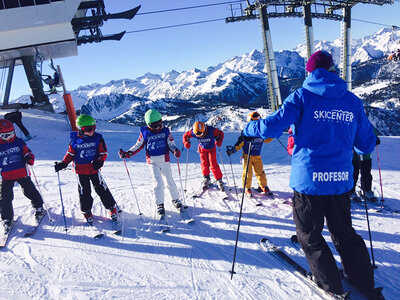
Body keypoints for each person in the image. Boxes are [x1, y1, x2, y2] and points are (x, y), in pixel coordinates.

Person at [243, 50, 383, 299]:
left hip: (309, 184)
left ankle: (330, 287)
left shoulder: (301, 96)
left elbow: (272, 126)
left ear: (309, 72)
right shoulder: (352, 101)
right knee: (344, 233)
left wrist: (249, 127)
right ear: (333, 70)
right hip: (340, 183)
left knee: (309, 235)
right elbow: (366, 145)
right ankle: (364, 282)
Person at [54, 114, 118, 224]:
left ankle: (111, 207)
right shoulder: (75, 141)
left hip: (93, 168)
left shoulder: (98, 138)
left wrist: (100, 161)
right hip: (80, 171)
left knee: (101, 188)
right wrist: (63, 163)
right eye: (89, 129)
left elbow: (103, 152)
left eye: (94, 128)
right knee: (85, 191)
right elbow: (70, 154)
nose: (92, 131)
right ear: (81, 129)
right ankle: (86, 210)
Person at [119, 109, 182, 217]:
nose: (157, 128)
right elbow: (138, 145)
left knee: (169, 180)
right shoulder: (144, 132)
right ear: (148, 125)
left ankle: (175, 199)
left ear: (161, 122)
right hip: (152, 161)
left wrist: (175, 150)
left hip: (164, 160)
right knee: (158, 182)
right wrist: (128, 153)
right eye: (154, 126)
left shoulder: (165, 131)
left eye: (159, 125)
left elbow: (171, 144)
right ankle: (160, 204)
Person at [0, 119, 44, 233]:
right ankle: (6, 218)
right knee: (5, 197)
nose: (9, 137)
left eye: (11, 134)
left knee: (29, 191)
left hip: (21, 172)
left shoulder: (19, 142)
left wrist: (29, 158)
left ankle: (39, 207)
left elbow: (28, 152)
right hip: (5, 175)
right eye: (5, 135)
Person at [226, 111, 273, 197]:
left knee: (259, 172)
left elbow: (266, 140)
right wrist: (232, 150)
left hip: (257, 156)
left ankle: (263, 187)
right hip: (247, 156)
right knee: (248, 172)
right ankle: (248, 188)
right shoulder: (247, 133)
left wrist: (272, 134)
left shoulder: (260, 133)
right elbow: (240, 143)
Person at [183, 121, 225, 191]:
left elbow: (221, 133)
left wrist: (219, 140)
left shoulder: (211, 130)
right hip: (202, 149)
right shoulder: (194, 132)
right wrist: (186, 142)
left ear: (205, 129)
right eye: (199, 136)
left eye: (202, 135)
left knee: (213, 164)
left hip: (211, 148)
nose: (201, 137)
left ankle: (219, 180)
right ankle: (206, 178)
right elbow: (185, 135)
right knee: (204, 164)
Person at [350, 130, 381, 203]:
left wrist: (375, 139)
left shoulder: (366, 122)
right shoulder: (352, 121)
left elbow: (373, 131)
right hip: (354, 155)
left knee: (366, 173)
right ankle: (351, 190)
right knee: (354, 173)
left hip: (366, 154)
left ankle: (366, 190)